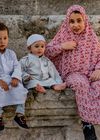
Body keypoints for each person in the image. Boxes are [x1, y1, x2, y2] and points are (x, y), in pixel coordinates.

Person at [45, 5, 100, 140]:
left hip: (90, 73)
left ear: (85, 20)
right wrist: (62, 46)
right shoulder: (63, 35)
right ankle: (87, 125)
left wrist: (98, 69)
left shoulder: (91, 38)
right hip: (72, 74)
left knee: (98, 85)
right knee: (80, 84)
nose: (75, 25)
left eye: (78, 20)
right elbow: (46, 52)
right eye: (72, 21)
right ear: (67, 22)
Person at [0, 20, 29, 131]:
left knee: (20, 88)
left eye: (5, 38)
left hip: (10, 78)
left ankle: (20, 114)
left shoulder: (11, 53)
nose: (2, 41)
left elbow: (17, 67)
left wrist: (15, 77)